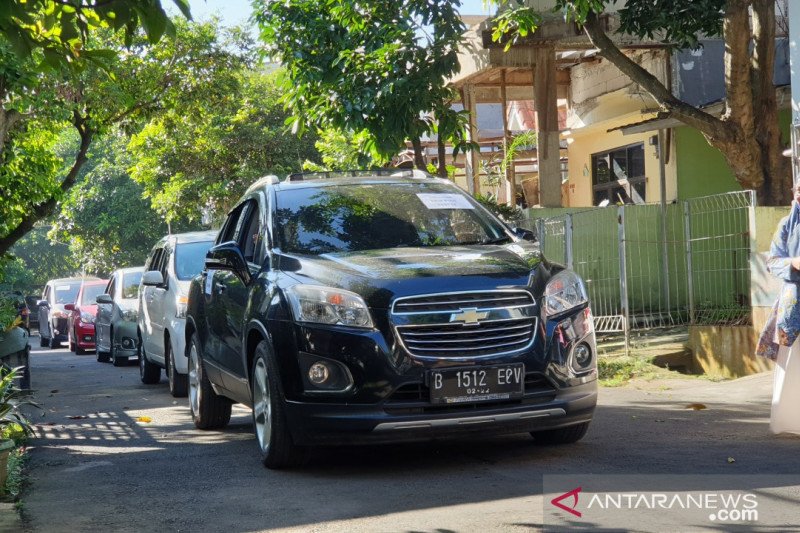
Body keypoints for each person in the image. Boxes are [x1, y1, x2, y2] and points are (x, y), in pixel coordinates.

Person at [756, 184, 800, 434]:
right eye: (798, 190)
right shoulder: (787, 224)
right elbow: (772, 261)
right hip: (794, 306)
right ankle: (792, 422)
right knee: (793, 362)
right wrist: (793, 263)